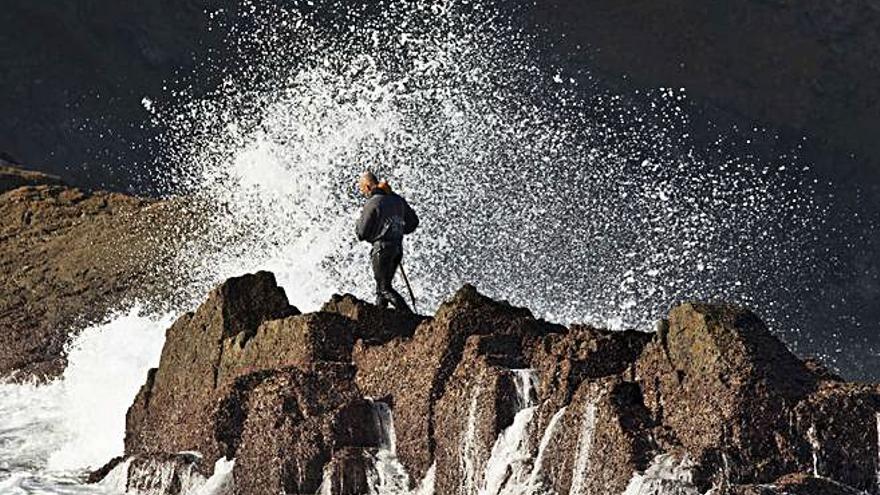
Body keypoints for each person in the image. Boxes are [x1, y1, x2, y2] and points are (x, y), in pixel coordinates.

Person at [355, 171, 419, 312]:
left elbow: (361, 233)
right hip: (397, 248)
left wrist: (375, 234)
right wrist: (398, 230)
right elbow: (413, 222)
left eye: (362, 189)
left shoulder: (373, 202)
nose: (363, 193)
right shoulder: (397, 200)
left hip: (382, 249)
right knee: (381, 288)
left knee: (384, 289)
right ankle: (380, 319)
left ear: (367, 186)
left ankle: (410, 317)